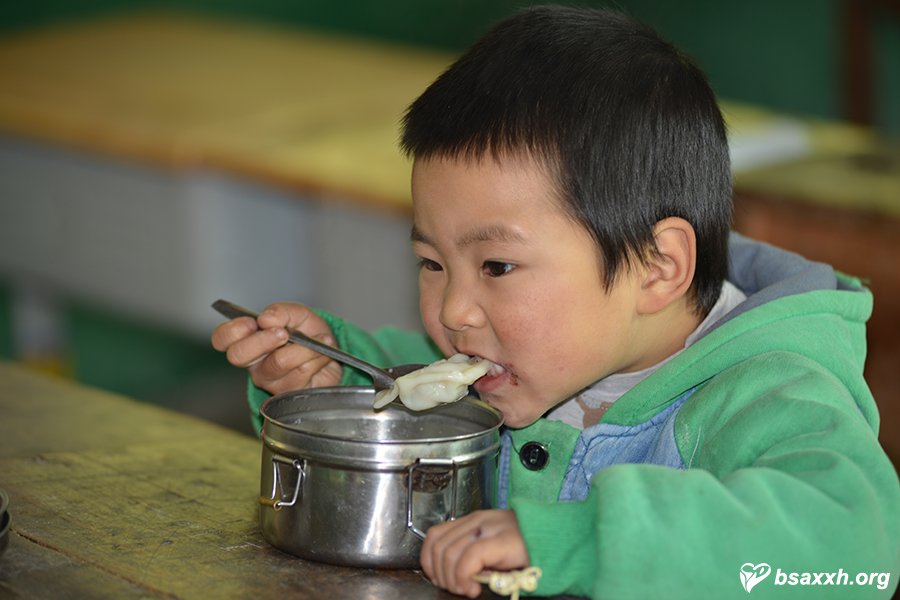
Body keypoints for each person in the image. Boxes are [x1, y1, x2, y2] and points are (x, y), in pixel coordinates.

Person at [211, 5, 899, 598]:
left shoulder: (767, 393)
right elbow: (410, 389)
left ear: (658, 268)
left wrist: (580, 542)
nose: (454, 311)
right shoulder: (514, 362)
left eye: (497, 265)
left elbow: (858, 554)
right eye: (431, 263)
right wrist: (333, 374)